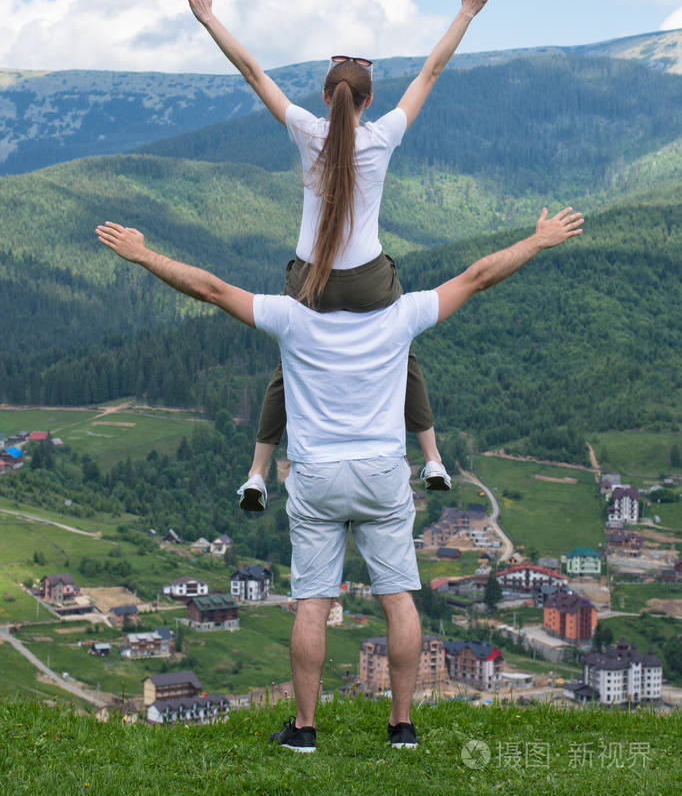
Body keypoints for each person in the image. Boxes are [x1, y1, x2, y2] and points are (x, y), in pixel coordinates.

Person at [95, 204, 583, 750]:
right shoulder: (401, 315)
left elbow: (209, 288)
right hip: (381, 474)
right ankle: (402, 725)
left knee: (313, 601)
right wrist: (538, 241)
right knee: (398, 599)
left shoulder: (290, 317)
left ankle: (304, 730)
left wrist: (141, 255)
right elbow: (478, 275)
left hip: (317, 475)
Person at [183, 0, 498, 512]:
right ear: (368, 101)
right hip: (372, 281)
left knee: (291, 360)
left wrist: (209, 17)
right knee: (402, 347)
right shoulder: (384, 136)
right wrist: (466, 12)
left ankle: (257, 472)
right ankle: (432, 457)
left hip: (311, 281)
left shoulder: (308, 131)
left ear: (328, 97)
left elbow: (253, 72)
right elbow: (431, 71)